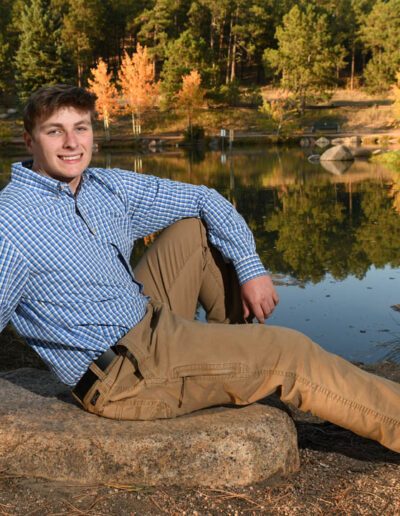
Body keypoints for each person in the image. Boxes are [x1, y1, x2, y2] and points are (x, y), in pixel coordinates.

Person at [1, 84, 399, 453]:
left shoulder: (104, 187)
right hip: (126, 376)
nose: (72, 143)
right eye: (55, 132)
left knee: (194, 229)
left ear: (92, 133)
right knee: (289, 352)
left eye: (81, 128)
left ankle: (231, 360)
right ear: (29, 140)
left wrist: (251, 268)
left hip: (149, 322)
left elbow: (203, 199)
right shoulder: (11, 224)